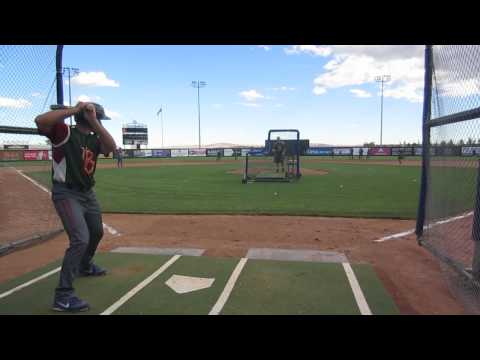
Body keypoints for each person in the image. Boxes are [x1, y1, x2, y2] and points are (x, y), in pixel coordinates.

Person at [35, 102, 116, 312]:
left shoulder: (94, 140)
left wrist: (92, 120)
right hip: (67, 193)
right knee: (80, 239)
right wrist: (74, 110)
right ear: (87, 118)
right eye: (97, 119)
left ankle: (84, 265)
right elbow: (40, 121)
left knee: (96, 232)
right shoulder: (64, 132)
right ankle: (63, 296)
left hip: (88, 194)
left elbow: (112, 147)